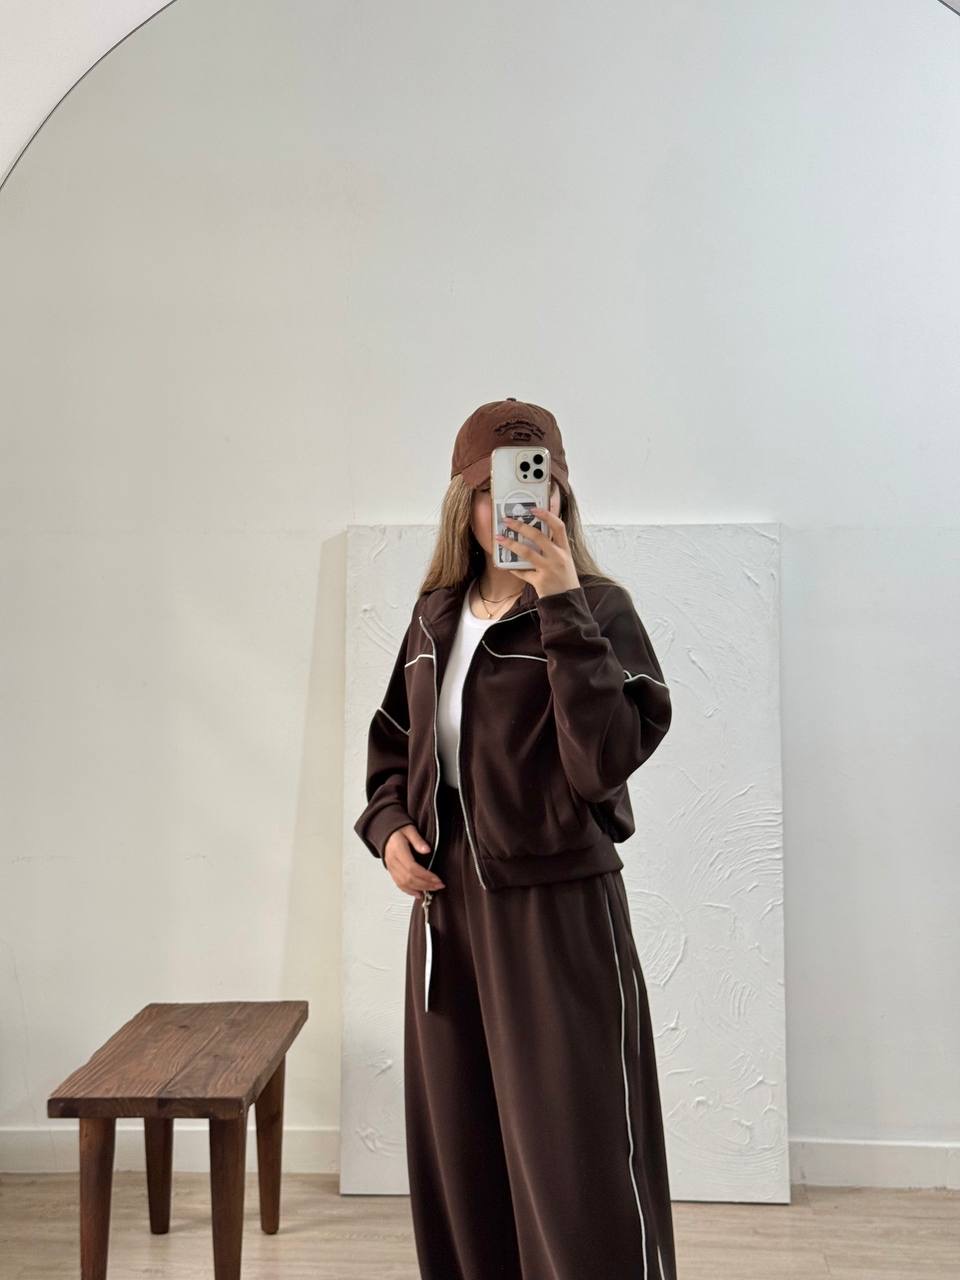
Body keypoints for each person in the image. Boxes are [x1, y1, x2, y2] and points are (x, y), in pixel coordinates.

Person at [353, 397, 677, 1280]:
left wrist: (561, 602)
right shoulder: (434, 617)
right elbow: (393, 743)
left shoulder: (600, 609)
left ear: (563, 496)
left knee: (576, 1163)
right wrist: (389, 829)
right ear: (465, 504)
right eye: (497, 490)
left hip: (558, 912)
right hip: (447, 913)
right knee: (464, 1162)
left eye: (540, 485)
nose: (521, 506)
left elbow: (603, 761)